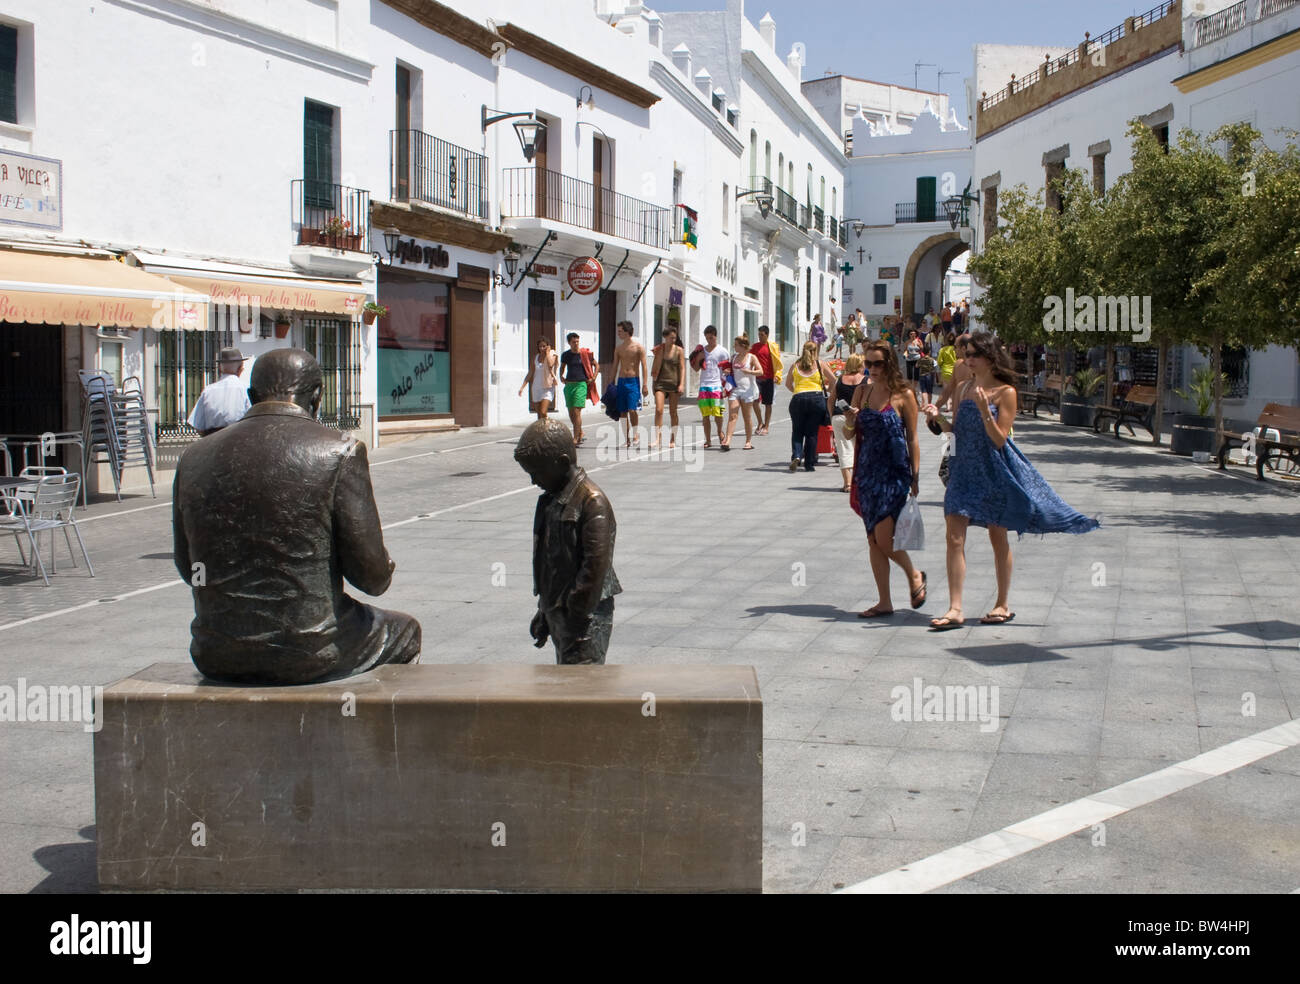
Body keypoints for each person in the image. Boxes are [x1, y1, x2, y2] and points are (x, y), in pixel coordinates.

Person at [173, 348, 420, 685]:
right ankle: (359, 730)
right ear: (317, 397)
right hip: (311, 650)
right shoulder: (340, 450)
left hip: (215, 651)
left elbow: (190, 570)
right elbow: (373, 580)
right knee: (405, 631)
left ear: (251, 396)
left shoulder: (193, 458)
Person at [922, 332, 1099, 630]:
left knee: (997, 537)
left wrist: (983, 410)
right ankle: (955, 609)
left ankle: (1002, 603)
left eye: (974, 354)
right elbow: (956, 432)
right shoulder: (963, 387)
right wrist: (938, 418)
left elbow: (1000, 439)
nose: (968, 359)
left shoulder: (1006, 392)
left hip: (993, 472)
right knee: (953, 538)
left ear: (990, 358)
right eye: (967, 354)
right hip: (963, 470)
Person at [516, 418, 621, 665]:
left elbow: (594, 568)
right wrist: (546, 610)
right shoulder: (551, 501)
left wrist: (573, 617)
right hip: (560, 611)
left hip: (585, 617)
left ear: (562, 463)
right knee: (566, 681)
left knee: (584, 686)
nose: (533, 481)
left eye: (537, 473)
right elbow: (549, 564)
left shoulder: (592, 502)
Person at [842, 342, 926, 617]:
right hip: (866, 473)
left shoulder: (903, 395)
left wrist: (915, 475)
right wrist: (850, 419)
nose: (872, 369)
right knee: (872, 540)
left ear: (889, 364)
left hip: (893, 474)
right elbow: (848, 434)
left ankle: (914, 575)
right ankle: (884, 601)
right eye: (869, 363)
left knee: (884, 539)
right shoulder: (861, 392)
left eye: (878, 363)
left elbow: (912, 438)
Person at [784, 341, 831, 472]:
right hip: (816, 399)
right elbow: (833, 380)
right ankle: (809, 464)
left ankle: (797, 456)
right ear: (815, 351)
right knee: (812, 433)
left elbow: (788, 384)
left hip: (798, 398)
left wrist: (797, 392)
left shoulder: (795, 365)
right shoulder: (820, 364)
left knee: (797, 431)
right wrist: (826, 389)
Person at [187, 347, 251, 436]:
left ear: (220, 369)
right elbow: (253, 421)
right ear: (240, 369)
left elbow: (197, 424)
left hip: (213, 442)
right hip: (239, 439)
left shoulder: (208, 391)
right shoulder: (246, 389)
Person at [829, 353, 866, 493]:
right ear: (859, 365)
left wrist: (832, 414)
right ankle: (859, 481)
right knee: (860, 449)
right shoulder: (866, 380)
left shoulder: (840, 380)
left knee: (843, 449)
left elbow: (831, 400)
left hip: (840, 416)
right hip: (859, 417)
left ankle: (848, 483)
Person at [611, 320, 649, 447]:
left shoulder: (638, 347)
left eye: (620, 331)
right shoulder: (619, 348)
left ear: (627, 332)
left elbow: (644, 366)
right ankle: (625, 438)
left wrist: (645, 384)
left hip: (633, 381)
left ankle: (635, 434)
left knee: (632, 410)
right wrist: (611, 382)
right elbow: (615, 366)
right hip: (621, 381)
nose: (618, 333)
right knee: (622, 411)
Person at [722, 335, 761, 450]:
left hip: (748, 390)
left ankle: (748, 441)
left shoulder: (751, 357)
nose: (734, 347)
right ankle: (727, 440)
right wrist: (727, 371)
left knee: (746, 416)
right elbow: (730, 371)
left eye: (736, 345)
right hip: (736, 390)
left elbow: (760, 371)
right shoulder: (734, 357)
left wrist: (749, 371)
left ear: (743, 346)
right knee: (732, 415)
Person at [693, 325, 729, 449]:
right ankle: (708, 440)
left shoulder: (723, 351)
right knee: (705, 415)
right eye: (707, 338)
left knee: (718, 414)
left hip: (717, 386)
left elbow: (727, 370)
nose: (709, 340)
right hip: (704, 386)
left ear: (715, 336)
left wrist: (725, 387)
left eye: (711, 338)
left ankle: (720, 431)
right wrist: (699, 358)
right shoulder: (702, 351)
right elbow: (696, 368)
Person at [650, 326, 685, 449]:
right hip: (660, 383)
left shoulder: (679, 350)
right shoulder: (660, 349)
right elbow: (655, 366)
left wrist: (681, 384)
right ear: (665, 337)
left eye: (675, 338)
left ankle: (673, 439)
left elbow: (682, 367)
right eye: (671, 338)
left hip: (674, 384)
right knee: (659, 410)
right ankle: (657, 438)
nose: (673, 340)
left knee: (673, 412)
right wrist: (652, 380)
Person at [750, 325, 783, 436]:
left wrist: (777, 375)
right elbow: (749, 360)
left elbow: (778, 363)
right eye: (759, 334)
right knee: (755, 402)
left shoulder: (772, 347)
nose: (759, 337)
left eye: (762, 335)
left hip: (769, 379)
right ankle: (760, 422)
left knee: (768, 404)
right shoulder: (755, 347)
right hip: (757, 378)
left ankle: (766, 426)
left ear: (767, 335)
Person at [560, 332, 592, 445]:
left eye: (577, 341)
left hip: (581, 384)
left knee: (577, 411)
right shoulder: (566, 355)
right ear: (569, 343)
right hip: (569, 384)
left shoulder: (584, 354)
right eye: (573, 342)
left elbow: (596, 365)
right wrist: (561, 376)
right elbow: (562, 367)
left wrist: (593, 377)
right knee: (571, 412)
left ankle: (575, 438)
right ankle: (580, 432)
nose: (576, 344)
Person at [519, 337, 558, 419]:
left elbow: (551, 364)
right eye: (540, 346)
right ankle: (542, 431)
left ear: (548, 346)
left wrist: (547, 353)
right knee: (539, 415)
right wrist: (522, 387)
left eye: (544, 346)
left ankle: (548, 427)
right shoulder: (535, 358)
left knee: (543, 412)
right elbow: (530, 373)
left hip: (548, 387)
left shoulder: (552, 354)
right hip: (536, 388)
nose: (542, 348)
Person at [904, 329, 923, 394]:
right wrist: (905, 355)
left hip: (917, 359)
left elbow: (922, 348)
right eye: (911, 334)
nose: (912, 335)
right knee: (909, 374)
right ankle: (910, 388)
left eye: (914, 333)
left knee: (916, 373)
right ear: (909, 335)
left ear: (916, 334)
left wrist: (918, 345)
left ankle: (914, 388)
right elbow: (905, 350)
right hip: (909, 359)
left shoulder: (918, 341)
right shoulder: (907, 342)